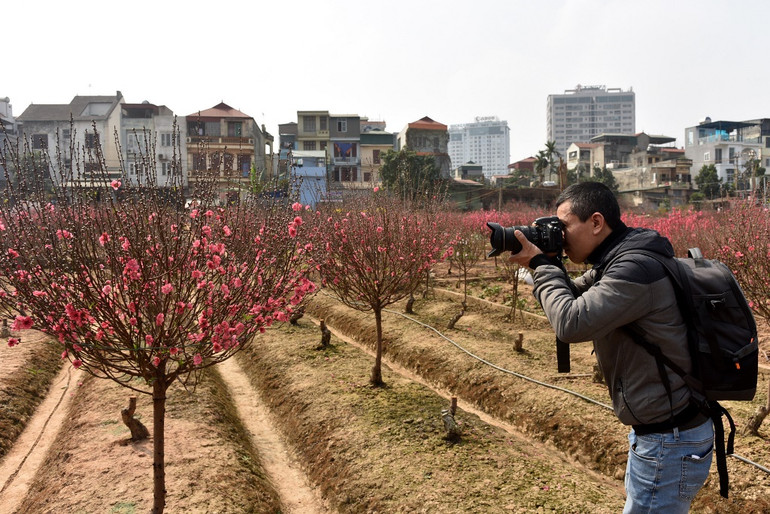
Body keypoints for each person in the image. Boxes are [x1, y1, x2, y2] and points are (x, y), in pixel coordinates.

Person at [508, 182, 714, 513]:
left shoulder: (633, 268)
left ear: (596, 222)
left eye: (563, 227)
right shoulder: (620, 257)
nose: (559, 235)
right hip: (664, 434)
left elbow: (571, 322)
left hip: (669, 438)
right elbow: (574, 296)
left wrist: (542, 267)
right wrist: (541, 261)